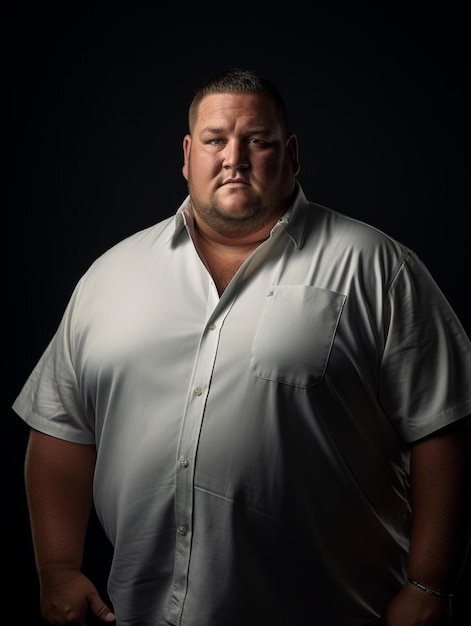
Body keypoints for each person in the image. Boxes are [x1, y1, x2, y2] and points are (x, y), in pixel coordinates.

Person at [12, 67, 471, 626]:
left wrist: (431, 585)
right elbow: (62, 426)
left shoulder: (378, 269)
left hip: (334, 611)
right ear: (187, 155)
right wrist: (57, 569)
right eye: (215, 140)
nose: (235, 157)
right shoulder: (111, 276)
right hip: (142, 613)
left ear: (292, 153)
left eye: (257, 140)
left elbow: (445, 431)